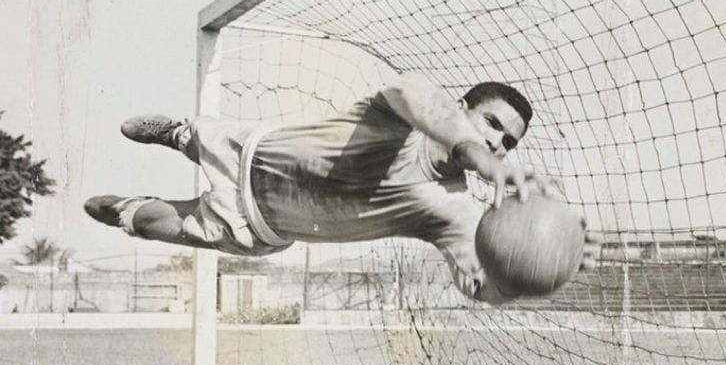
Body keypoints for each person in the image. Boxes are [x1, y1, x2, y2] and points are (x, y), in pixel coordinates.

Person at [85, 74, 597, 304]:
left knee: (157, 226)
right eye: (491, 123)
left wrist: (538, 274)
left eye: (506, 142)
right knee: (199, 136)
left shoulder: (457, 211)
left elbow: (481, 286)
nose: (496, 142)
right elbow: (416, 96)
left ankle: (126, 212)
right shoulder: (406, 115)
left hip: (261, 226)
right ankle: (177, 134)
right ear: (463, 106)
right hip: (251, 152)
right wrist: (480, 156)